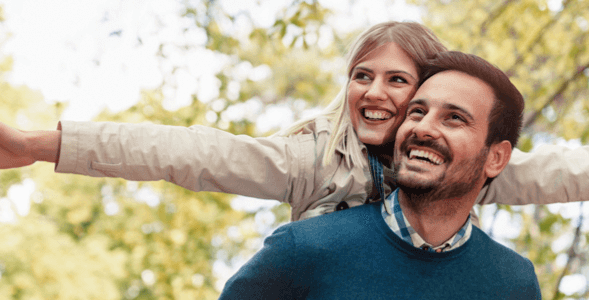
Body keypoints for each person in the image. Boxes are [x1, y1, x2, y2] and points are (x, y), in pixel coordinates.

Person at [0, 21, 589, 223]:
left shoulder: (469, 172)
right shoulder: (308, 160)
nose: (376, 92)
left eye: (401, 79)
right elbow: (181, 152)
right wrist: (44, 144)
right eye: (362, 75)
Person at [218, 52, 538, 299]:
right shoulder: (303, 249)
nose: (423, 127)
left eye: (454, 118)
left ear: (496, 158)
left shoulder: (514, 282)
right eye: (417, 111)